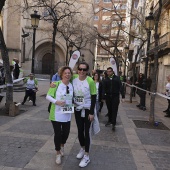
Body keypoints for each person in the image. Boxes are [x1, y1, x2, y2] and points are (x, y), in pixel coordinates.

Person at [46, 66, 74, 165]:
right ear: (61, 74)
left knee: (66, 133)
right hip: (56, 114)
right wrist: (56, 101)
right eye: (65, 73)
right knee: (57, 134)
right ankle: (58, 152)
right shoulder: (56, 84)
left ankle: (62, 145)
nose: (67, 74)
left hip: (67, 114)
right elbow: (48, 96)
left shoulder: (72, 85)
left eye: (69, 73)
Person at [72, 62, 96, 168]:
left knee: (87, 132)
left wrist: (91, 112)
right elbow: (62, 79)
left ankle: (87, 156)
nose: (82, 71)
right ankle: (82, 147)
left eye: (84, 70)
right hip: (77, 109)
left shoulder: (90, 81)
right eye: (80, 69)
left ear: (87, 71)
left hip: (87, 109)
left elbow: (94, 97)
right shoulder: (74, 78)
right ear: (78, 69)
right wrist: (53, 84)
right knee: (80, 131)